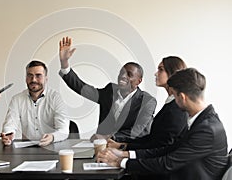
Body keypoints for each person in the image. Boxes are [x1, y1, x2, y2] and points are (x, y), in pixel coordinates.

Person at [97, 68, 229, 180]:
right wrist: (125, 154)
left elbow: (168, 163)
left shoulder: (207, 129)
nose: (174, 102)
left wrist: (119, 162)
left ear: (182, 97)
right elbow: (169, 150)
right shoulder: (201, 121)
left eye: (175, 97)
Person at [59, 36, 157, 141]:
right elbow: (81, 88)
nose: (123, 76)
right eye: (122, 72)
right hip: (102, 148)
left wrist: (107, 137)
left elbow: (137, 131)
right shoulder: (109, 91)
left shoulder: (147, 101)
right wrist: (64, 64)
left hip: (130, 148)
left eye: (129, 74)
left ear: (139, 81)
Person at [107, 56, 189, 180]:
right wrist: (122, 145)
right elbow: (154, 139)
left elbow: (161, 146)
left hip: (161, 173)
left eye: (161, 69)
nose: (156, 73)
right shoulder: (170, 104)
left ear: (173, 74)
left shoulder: (177, 109)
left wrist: (124, 154)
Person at [1, 60, 69, 146]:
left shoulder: (56, 98)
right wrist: (8, 134)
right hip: (26, 150)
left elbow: (64, 130)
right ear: (26, 78)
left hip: (52, 147)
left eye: (38, 76)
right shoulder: (17, 99)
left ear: (46, 79)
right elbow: (10, 124)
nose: (33, 79)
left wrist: (52, 137)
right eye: (30, 75)